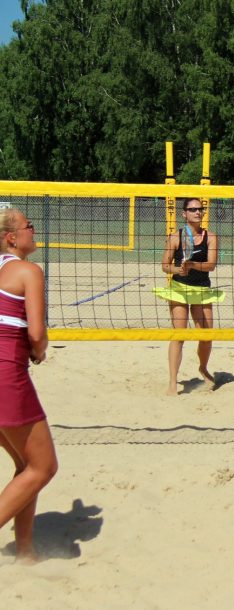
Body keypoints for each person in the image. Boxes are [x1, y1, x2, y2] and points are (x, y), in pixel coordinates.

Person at [0, 208, 59, 564]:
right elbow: (37, 334)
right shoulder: (28, 271)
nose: (33, 229)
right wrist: (38, 350)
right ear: (12, 237)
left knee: (27, 467)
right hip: (6, 374)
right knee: (44, 468)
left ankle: (25, 553)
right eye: (28, 225)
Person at [153, 197, 224, 396]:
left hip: (201, 290)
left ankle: (203, 368)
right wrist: (178, 269)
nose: (197, 212)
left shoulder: (210, 237)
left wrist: (192, 265)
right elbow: (164, 265)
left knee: (206, 335)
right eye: (192, 209)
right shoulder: (176, 237)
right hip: (179, 288)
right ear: (184, 213)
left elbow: (211, 265)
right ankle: (173, 382)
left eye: (200, 209)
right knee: (179, 335)